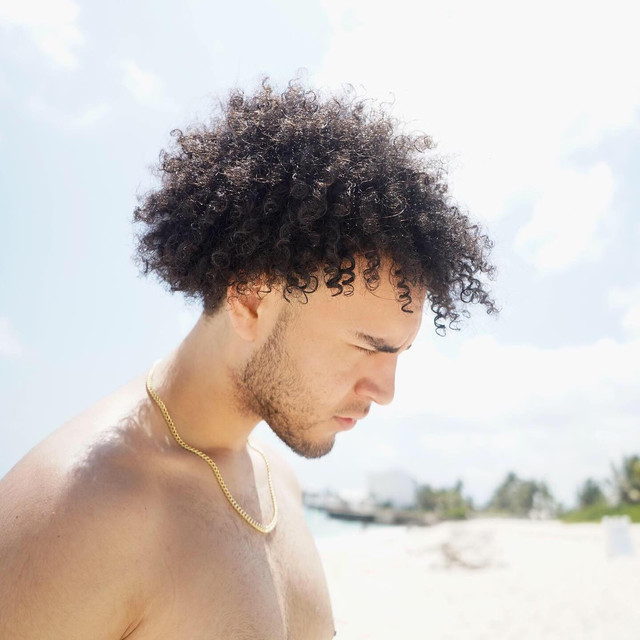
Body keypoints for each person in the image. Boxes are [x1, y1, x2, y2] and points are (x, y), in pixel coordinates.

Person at [0, 78, 497, 639]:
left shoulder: (278, 481)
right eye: (367, 346)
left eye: (400, 353)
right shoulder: (80, 510)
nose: (385, 391)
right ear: (252, 299)